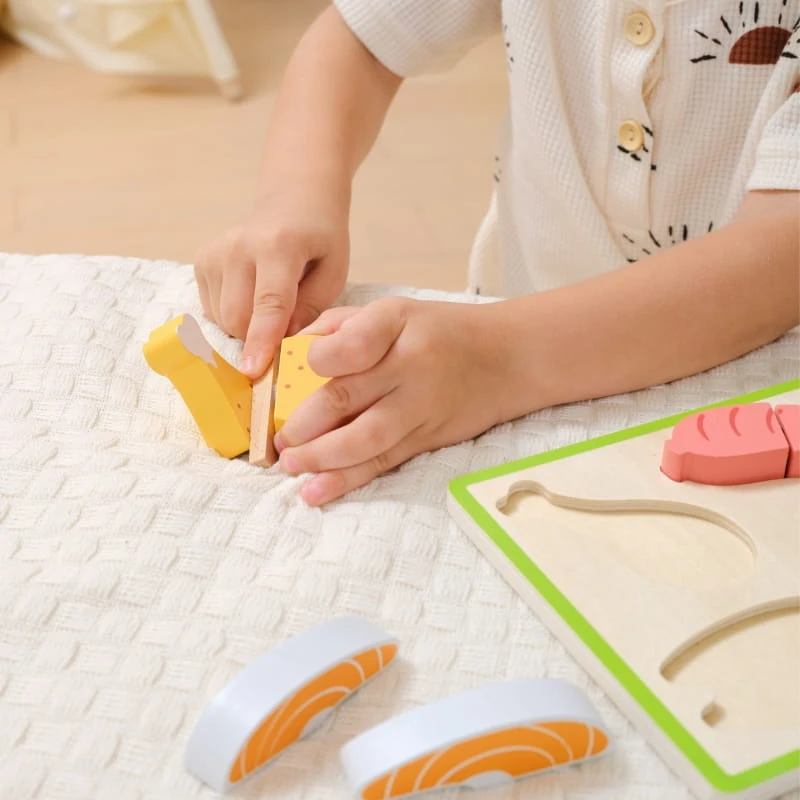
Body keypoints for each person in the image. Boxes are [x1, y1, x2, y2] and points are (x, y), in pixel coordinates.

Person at [194, 1, 800, 506]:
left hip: (756, 400)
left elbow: (783, 243)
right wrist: (296, 196)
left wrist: (497, 359)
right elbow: (362, 37)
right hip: (496, 334)